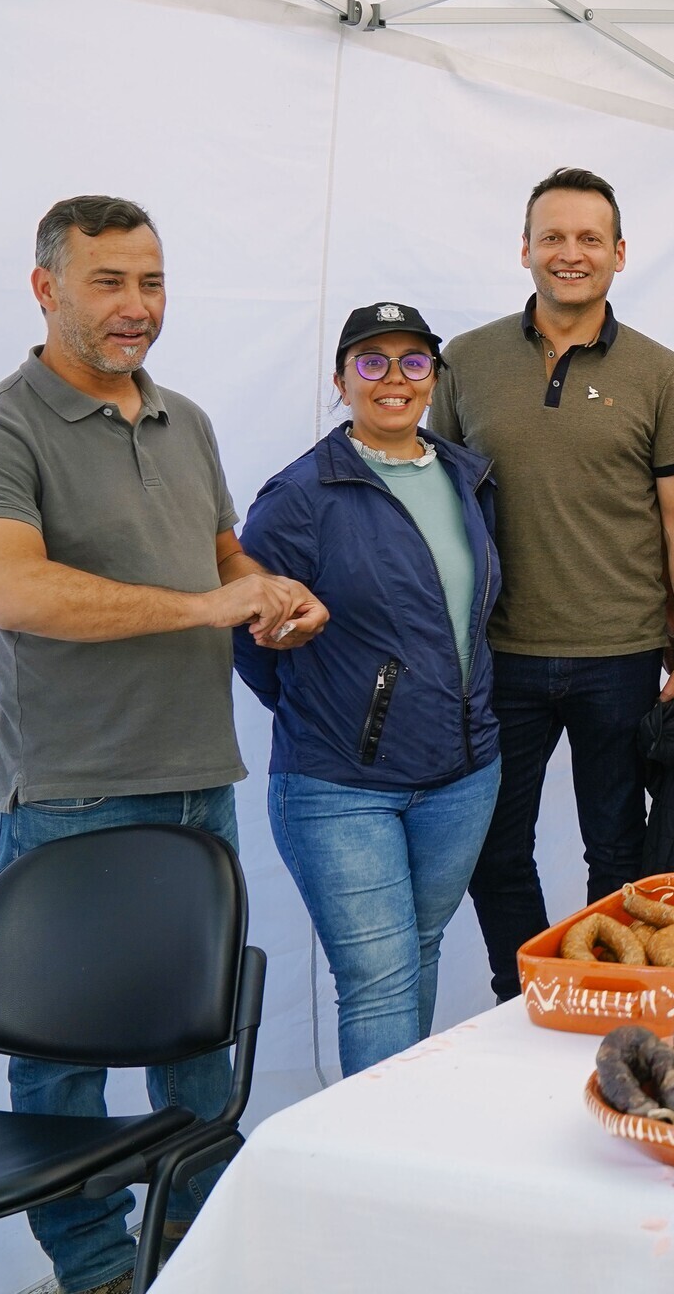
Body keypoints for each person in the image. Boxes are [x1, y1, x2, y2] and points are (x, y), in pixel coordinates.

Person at [0, 195, 327, 1294]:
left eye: (151, 282)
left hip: (199, 781)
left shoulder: (184, 419)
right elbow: (14, 591)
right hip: (69, 794)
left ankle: (196, 1253)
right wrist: (202, 607)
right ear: (46, 288)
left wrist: (268, 595)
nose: (136, 306)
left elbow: (221, 557)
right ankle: (98, 1267)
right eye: (108, 281)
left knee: (199, 1048)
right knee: (60, 1063)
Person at [426, 167, 674, 1001]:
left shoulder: (659, 371)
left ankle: (610, 999)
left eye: (591, 238)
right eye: (552, 236)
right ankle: (525, 998)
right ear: (524, 249)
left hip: (619, 654)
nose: (570, 253)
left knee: (619, 850)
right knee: (493, 849)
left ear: (620, 254)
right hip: (500, 654)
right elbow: (436, 498)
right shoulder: (466, 360)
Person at [234, 303, 503, 1075]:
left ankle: (405, 1127)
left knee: (418, 953)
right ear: (340, 380)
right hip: (341, 787)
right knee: (380, 985)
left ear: (434, 379)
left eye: (414, 362)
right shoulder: (300, 495)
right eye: (372, 361)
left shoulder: (466, 475)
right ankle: (380, 1146)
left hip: (462, 776)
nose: (395, 378)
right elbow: (248, 634)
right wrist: (341, 713)